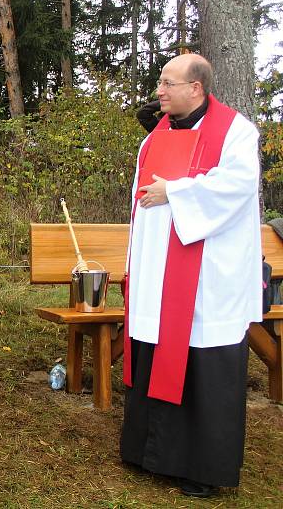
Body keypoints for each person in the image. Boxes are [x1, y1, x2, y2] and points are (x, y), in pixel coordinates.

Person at [120, 53, 261, 497]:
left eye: (167, 82)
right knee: (156, 350)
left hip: (206, 275)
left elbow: (236, 185)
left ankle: (202, 469)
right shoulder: (156, 134)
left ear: (196, 88)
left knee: (202, 362)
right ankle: (150, 455)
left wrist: (175, 192)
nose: (158, 90)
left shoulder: (235, 130)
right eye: (160, 82)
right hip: (157, 270)